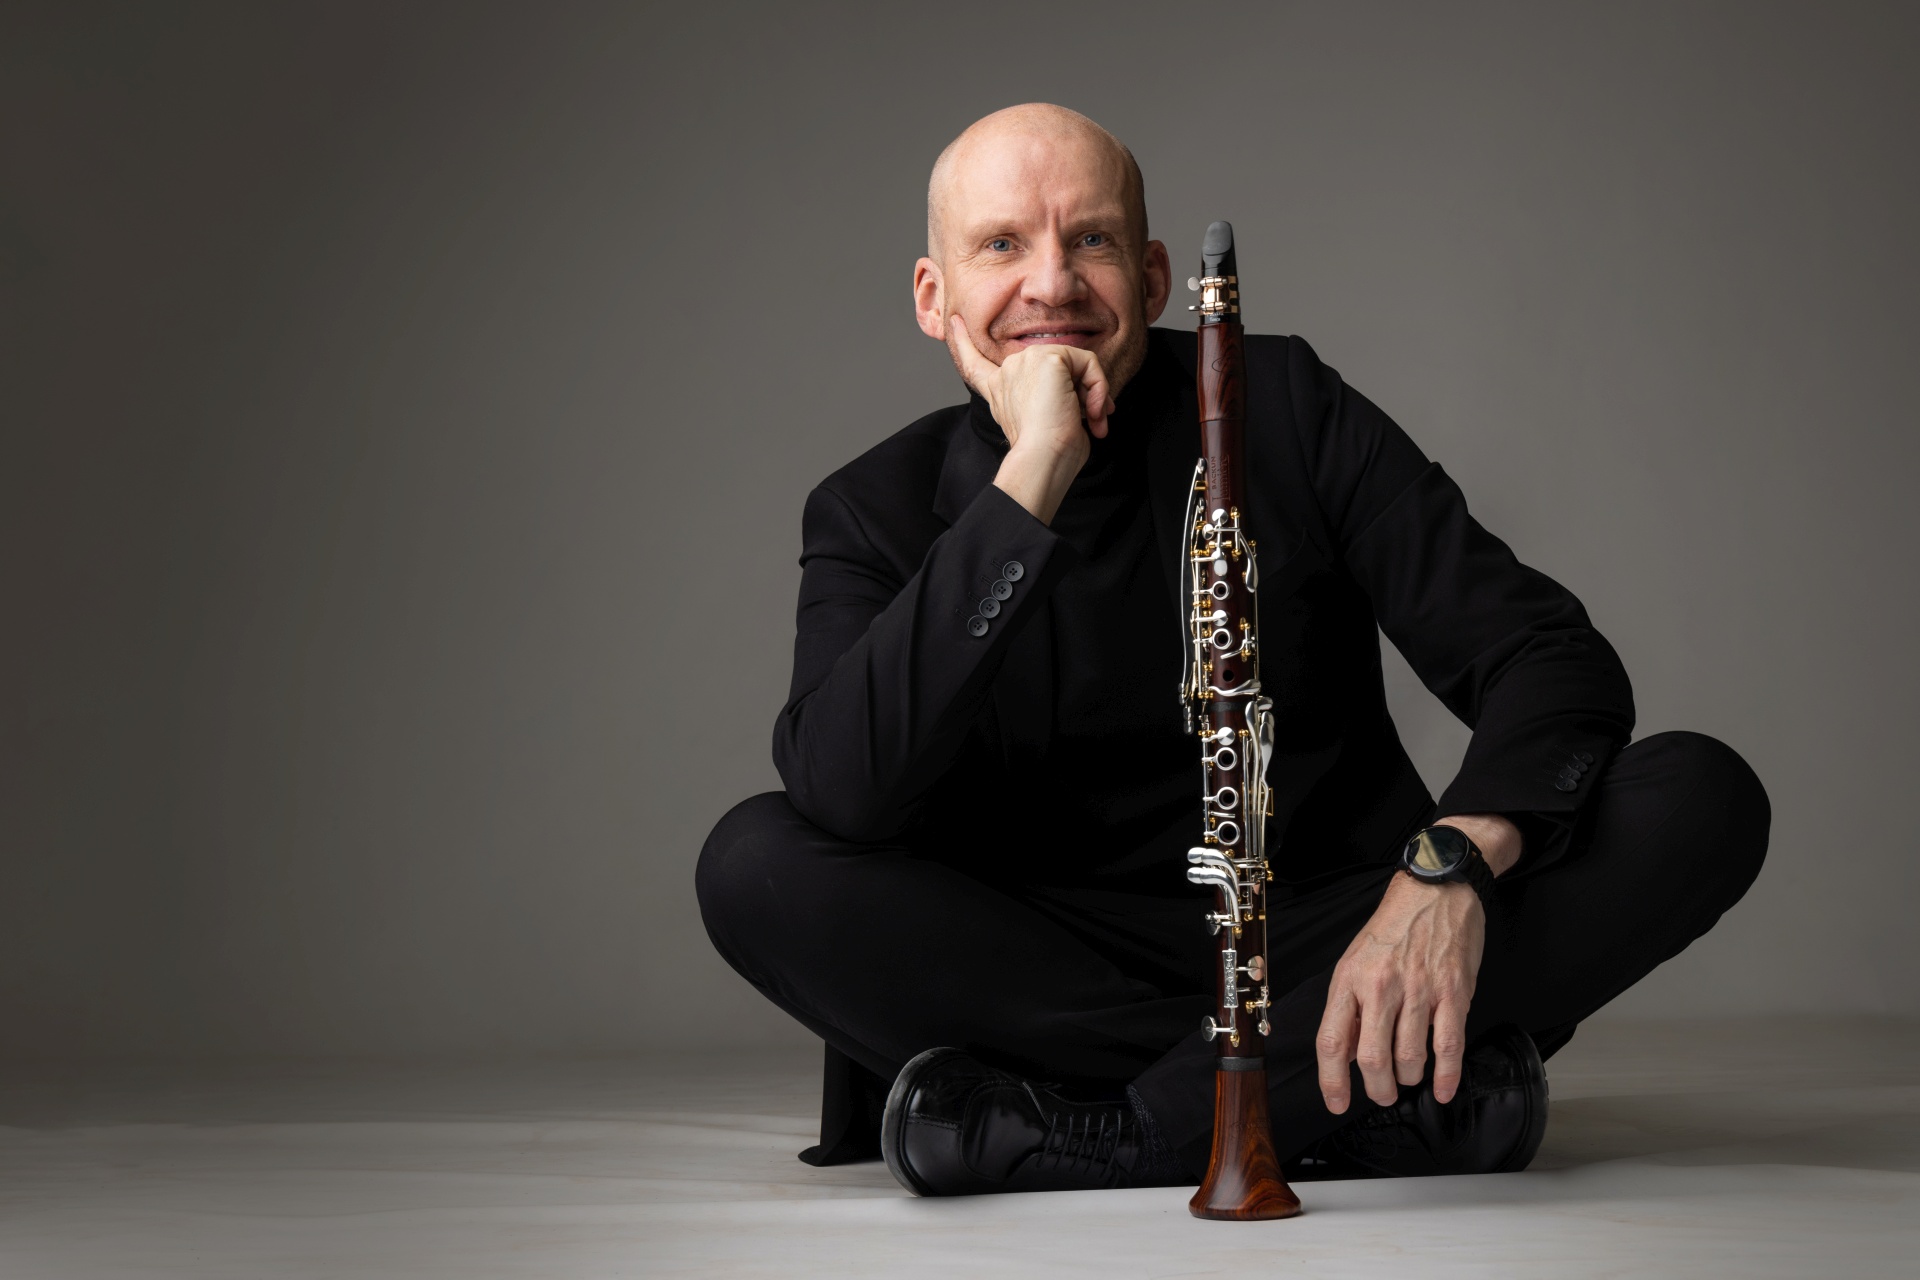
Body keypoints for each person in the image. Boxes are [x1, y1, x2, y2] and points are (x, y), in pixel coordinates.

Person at [696, 103, 1768, 1196]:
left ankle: (1105, 1132)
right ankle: (1342, 1105)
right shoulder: (870, 508)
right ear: (936, 297)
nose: (1053, 284)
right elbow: (843, 786)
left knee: (1699, 793)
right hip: (1048, 962)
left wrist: (1444, 870)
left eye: (1094, 240)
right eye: (1002, 245)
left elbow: (1552, 659)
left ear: (1154, 279)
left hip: (1332, 934)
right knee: (753, 863)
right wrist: (1034, 480)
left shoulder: (1287, 405)